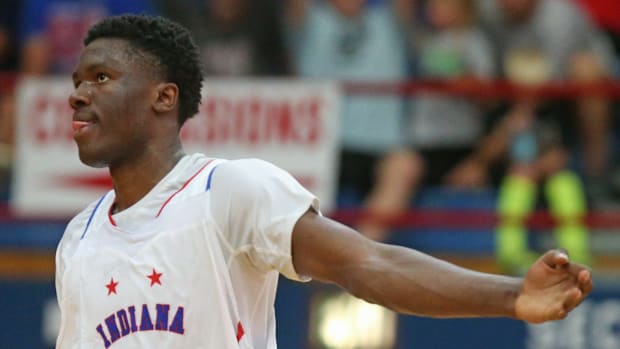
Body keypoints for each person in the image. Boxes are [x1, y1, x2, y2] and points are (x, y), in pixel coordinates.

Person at [57, 14, 592, 348]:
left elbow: (370, 263)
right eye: (78, 82)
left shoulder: (227, 191)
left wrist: (510, 295)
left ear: (163, 97)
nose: (79, 94)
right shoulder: (77, 239)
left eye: (101, 78)